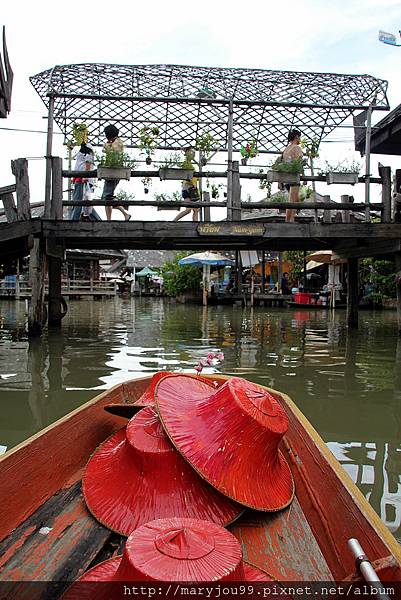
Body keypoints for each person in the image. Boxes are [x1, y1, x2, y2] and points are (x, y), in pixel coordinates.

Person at [102, 124, 131, 221]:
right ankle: (109, 219)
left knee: (107, 196)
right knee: (107, 196)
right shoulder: (114, 142)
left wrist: (108, 145)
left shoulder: (117, 143)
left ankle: (124, 213)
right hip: (110, 171)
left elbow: (113, 154)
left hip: (114, 171)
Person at [70, 144, 101, 221]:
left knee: (78, 201)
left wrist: (85, 175)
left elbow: (88, 161)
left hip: (83, 178)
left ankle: (74, 220)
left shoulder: (88, 147)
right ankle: (97, 219)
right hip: (80, 177)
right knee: (84, 202)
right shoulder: (81, 148)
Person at [282, 129, 303, 223]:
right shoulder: (296, 148)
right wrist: (303, 174)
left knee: (294, 199)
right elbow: (299, 162)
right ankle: (290, 220)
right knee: (293, 201)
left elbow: (282, 164)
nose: (300, 139)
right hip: (294, 176)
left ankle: (289, 219)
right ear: (296, 137)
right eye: (300, 137)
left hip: (286, 177)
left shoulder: (286, 150)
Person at [173, 147, 200, 222]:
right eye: (191, 152)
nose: (193, 154)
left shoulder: (189, 164)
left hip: (189, 188)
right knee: (191, 209)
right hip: (190, 188)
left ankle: (195, 224)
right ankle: (174, 221)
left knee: (195, 209)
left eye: (193, 153)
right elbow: (188, 176)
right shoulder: (187, 164)